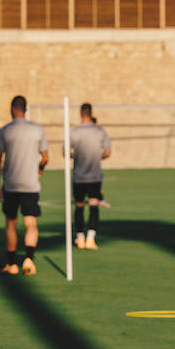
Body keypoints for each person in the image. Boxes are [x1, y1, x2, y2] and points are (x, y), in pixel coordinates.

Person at [0, 96, 49, 275]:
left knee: (11, 224)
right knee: (31, 223)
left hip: (11, 184)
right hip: (30, 184)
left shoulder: (4, 131)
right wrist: (39, 168)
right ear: (26, 109)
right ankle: (29, 259)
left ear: (12, 109)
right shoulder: (38, 130)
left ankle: (11, 264)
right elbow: (46, 157)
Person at [69, 102, 111, 249]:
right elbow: (107, 152)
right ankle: (90, 238)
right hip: (94, 176)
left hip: (79, 176)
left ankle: (80, 237)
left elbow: (66, 151)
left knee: (79, 206)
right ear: (91, 113)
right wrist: (97, 157)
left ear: (81, 114)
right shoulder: (100, 131)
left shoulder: (74, 132)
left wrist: (76, 156)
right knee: (94, 205)